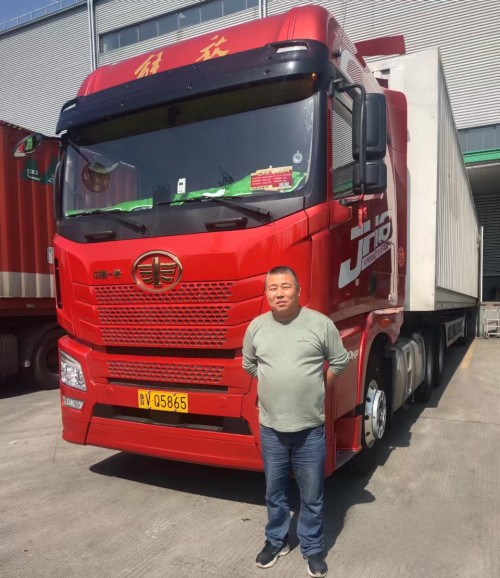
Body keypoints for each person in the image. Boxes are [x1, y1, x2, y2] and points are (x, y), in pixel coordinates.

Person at [242, 266, 349, 578]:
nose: (279, 293)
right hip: (271, 428)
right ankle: (276, 541)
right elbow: (249, 364)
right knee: (274, 492)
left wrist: (319, 387)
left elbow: (340, 360)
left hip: (310, 429)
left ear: (299, 291)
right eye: (273, 288)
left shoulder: (320, 324)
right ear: (266, 294)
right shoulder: (256, 327)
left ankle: (312, 547)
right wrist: (271, 384)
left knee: (312, 496)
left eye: (285, 287)